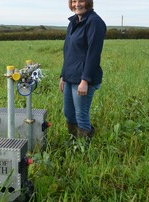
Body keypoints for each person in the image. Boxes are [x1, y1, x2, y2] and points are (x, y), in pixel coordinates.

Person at [59, 0, 106, 140]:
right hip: (70, 76)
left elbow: (93, 53)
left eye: (81, 1)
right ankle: (74, 142)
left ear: (88, 2)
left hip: (83, 78)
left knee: (81, 115)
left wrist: (85, 80)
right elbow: (68, 51)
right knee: (68, 113)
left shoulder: (95, 22)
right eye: (74, 1)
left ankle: (84, 149)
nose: (77, 4)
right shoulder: (73, 21)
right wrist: (63, 75)